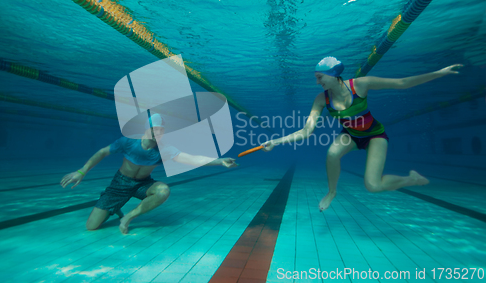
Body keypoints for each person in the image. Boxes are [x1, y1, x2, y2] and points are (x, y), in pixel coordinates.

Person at [261, 57, 463, 211]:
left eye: (319, 78)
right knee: (332, 154)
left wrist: (441, 72)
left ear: (332, 74)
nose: (317, 82)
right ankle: (332, 192)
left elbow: (402, 83)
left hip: (374, 135)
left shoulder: (360, 84)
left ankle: (411, 179)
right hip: (350, 134)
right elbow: (306, 131)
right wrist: (275, 141)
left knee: (373, 186)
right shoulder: (321, 100)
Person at [60, 113, 238, 234]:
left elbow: (191, 159)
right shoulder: (128, 142)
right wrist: (82, 171)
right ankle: (114, 207)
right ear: (146, 129)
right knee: (91, 227)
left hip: (143, 184)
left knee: (163, 190)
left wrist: (219, 161)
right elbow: (102, 152)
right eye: (154, 129)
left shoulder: (165, 149)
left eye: (160, 130)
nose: (157, 134)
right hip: (120, 184)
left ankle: (128, 217)